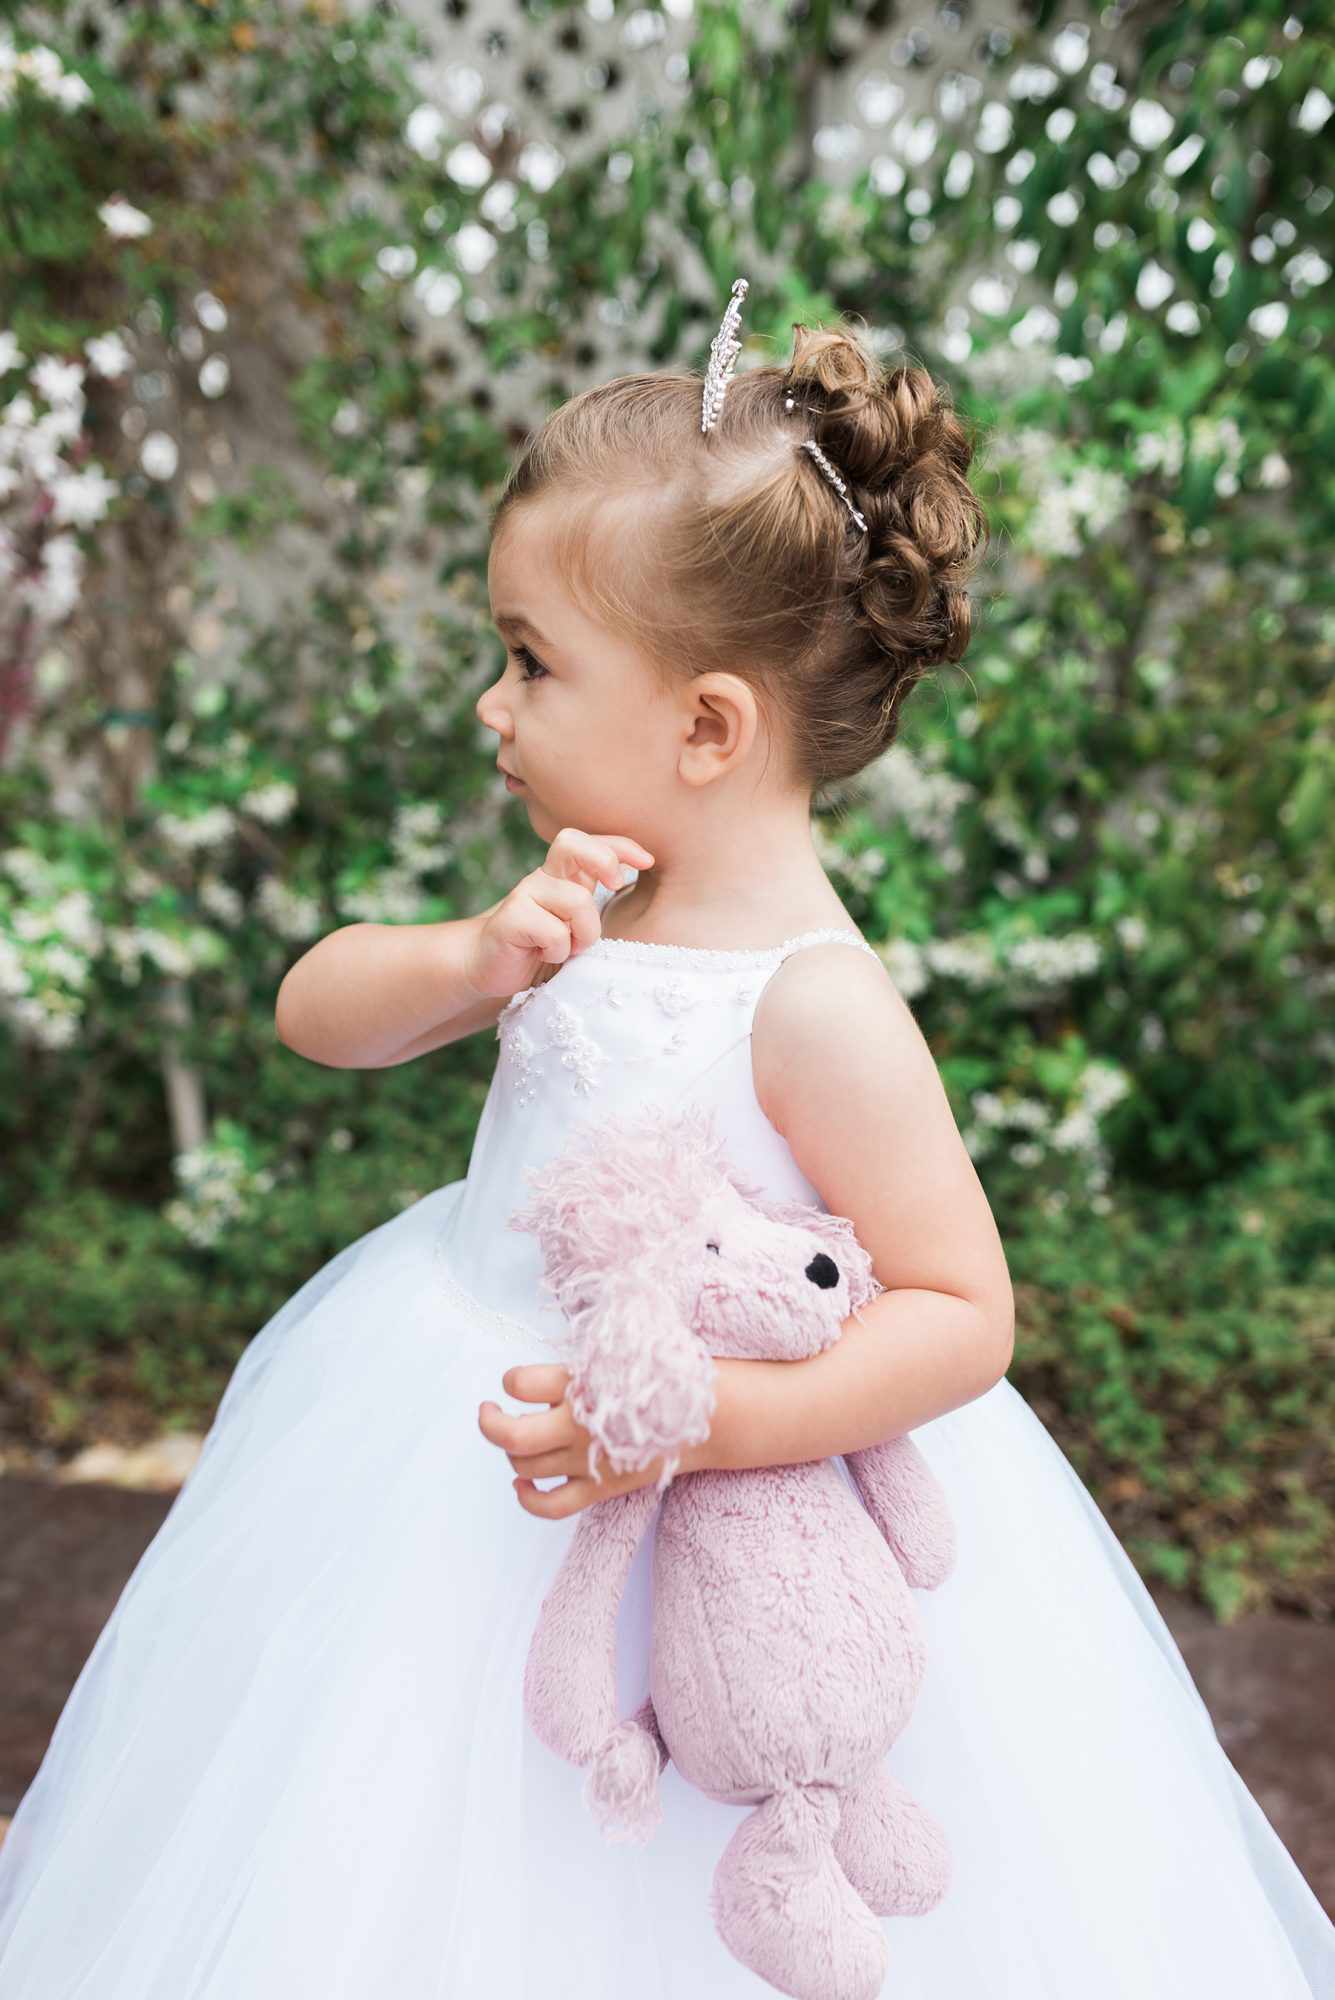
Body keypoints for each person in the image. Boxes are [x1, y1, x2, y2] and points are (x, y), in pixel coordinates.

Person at [1, 279, 1331, 2000]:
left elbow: (960, 1310)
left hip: (728, 1548)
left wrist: (713, 1423)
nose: (492, 705)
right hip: (446, 1467)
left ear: (708, 726)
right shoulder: (580, 908)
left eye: (531, 662)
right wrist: (474, 959)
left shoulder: (815, 1005)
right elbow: (314, 1015)